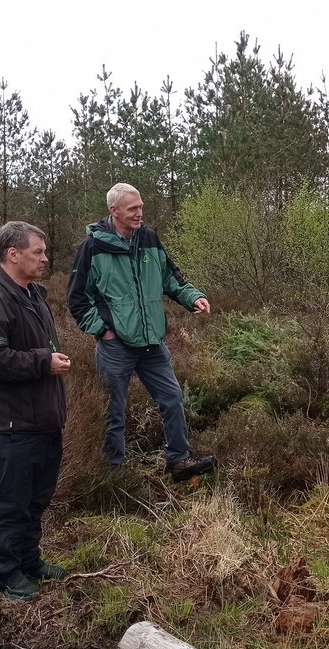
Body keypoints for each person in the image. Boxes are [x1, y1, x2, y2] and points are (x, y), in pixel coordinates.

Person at [67, 183, 216, 482]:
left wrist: (192, 298)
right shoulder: (92, 248)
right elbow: (77, 298)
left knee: (173, 398)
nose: (140, 213)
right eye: (133, 208)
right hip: (115, 347)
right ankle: (114, 473)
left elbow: (171, 279)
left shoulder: (148, 239)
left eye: (141, 207)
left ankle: (179, 461)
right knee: (114, 411)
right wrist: (103, 331)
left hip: (152, 344)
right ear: (114, 211)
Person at [0, 221, 70, 600]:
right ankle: (3, 572)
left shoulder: (32, 295)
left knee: (36, 498)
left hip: (43, 420)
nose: (45, 258)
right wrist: (44, 362)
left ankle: (28, 560)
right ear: (13, 254)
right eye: (37, 252)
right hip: (12, 427)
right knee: (10, 503)